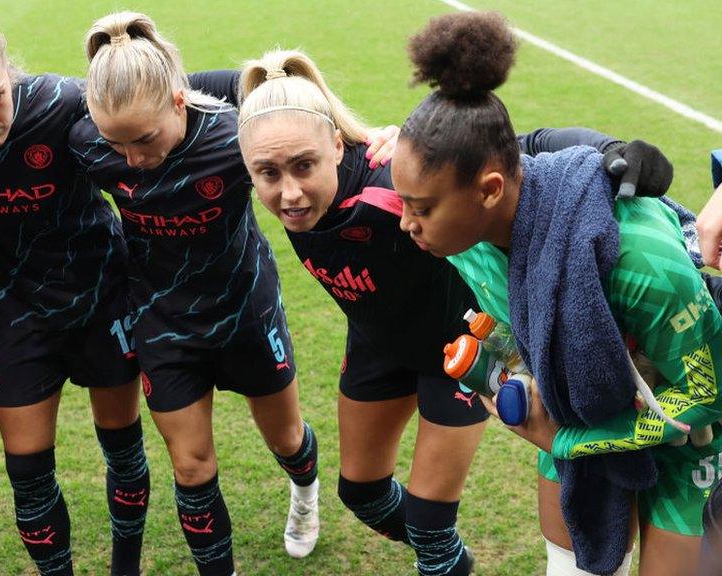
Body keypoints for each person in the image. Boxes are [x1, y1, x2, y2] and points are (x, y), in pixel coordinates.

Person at [236, 46, 643, 576]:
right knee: (361, 493)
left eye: (304, 167)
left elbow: (520, 150)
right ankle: (452, 560)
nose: (289, 193)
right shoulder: (272, 154)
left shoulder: (393, 184)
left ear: (336, 146)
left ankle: (440, 554)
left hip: (463, 352)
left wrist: (612, 149)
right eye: (267, 173)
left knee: (428, 523)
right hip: (379, 345)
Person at [392, 11, 722, 575]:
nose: (406, 223)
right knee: (572, 568)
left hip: (689, 437)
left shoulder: (641, 263)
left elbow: (708, 395)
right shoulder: (463, 237)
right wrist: (511, 367)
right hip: (579, 409)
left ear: (490, 191)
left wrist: (568, 440)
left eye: (420, 208)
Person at [69, 12, 321, 575]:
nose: (131, 158)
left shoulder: (233, 135)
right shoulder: (87, 143)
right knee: (190, 465)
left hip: (245, 309)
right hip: (163, 320)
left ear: (180, 102)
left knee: (285, 438)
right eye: (117, 142)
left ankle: (305, 494)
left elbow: (314, 144)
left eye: (144, 138)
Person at [0, 2, 146, 574]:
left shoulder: (62, 100)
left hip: (102, 297)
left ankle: (126, 567)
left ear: (11, 72)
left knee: (123, 449)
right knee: (28, 471)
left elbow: (168, 92)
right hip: (17, 310)